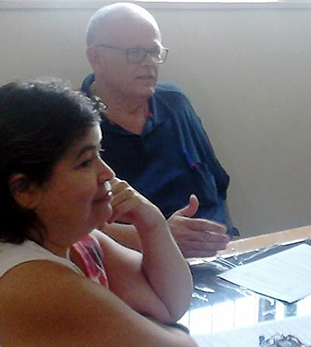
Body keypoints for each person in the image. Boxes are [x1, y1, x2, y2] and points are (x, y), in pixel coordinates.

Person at [0, 80, 208, 347]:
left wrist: (153, 224)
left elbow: (168, 304)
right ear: (25, 189)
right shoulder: (29, 284)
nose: (108, 174)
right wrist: (148, 328)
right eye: (86, 162)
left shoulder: (69, 239)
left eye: (100, 153)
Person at [82, 2, 234, 258]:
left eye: (154, 52)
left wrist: (235, 242)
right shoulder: (76, 123)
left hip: (226, 255)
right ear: (95, 57)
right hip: (141, 264)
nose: (149, 63)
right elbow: (74, 224)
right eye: (135, 53)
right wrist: (158, 236)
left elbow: (217, 186)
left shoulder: (175, 103)